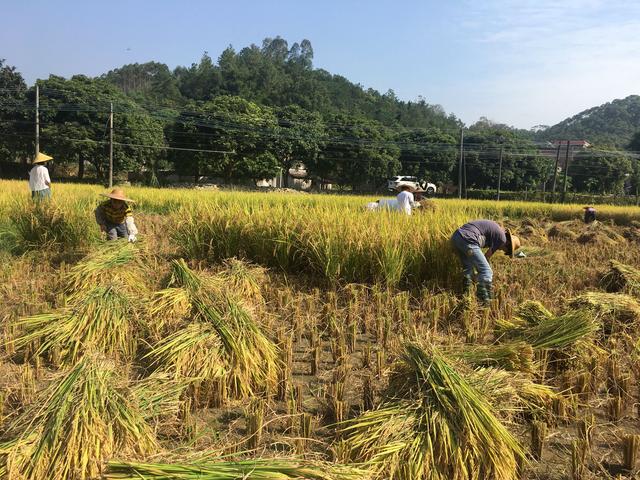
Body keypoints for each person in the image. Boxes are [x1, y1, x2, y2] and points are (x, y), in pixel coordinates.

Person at [450, 219, 521, 304]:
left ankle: (466, 296)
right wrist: (482, 274)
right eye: (506, 251)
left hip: (457, 237)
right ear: (508, 244)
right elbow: (487, 257)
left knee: (468, 270)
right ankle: (484, 302)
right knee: (487, 272)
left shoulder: (497, 234)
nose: (502, 250)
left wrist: (477, 274)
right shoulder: (502, 239)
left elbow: (483, 258)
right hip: (468, 239)